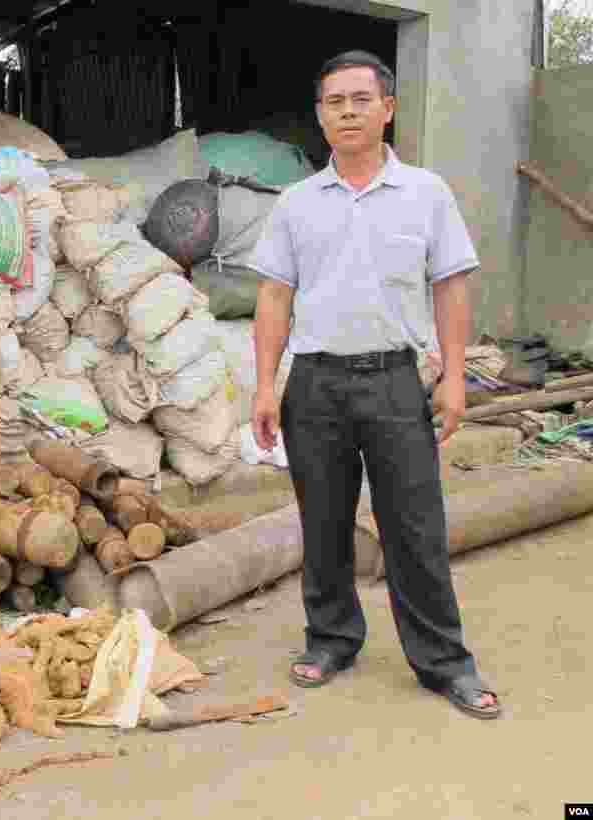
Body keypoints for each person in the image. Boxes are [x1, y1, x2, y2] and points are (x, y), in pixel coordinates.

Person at [249, 50, 501, 719]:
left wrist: (451, 374)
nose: (348, 111)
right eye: (335, 101)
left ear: (387, 108)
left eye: (361, 99)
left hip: (395, 381)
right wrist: (265, 386)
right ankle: (332, 638)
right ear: (320, 115)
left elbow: (449, 285)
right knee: (324, 523)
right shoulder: (297, 204)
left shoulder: (426, 193)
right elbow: (274, 297)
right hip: (316, 386)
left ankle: (445, 662)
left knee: (415, 527)